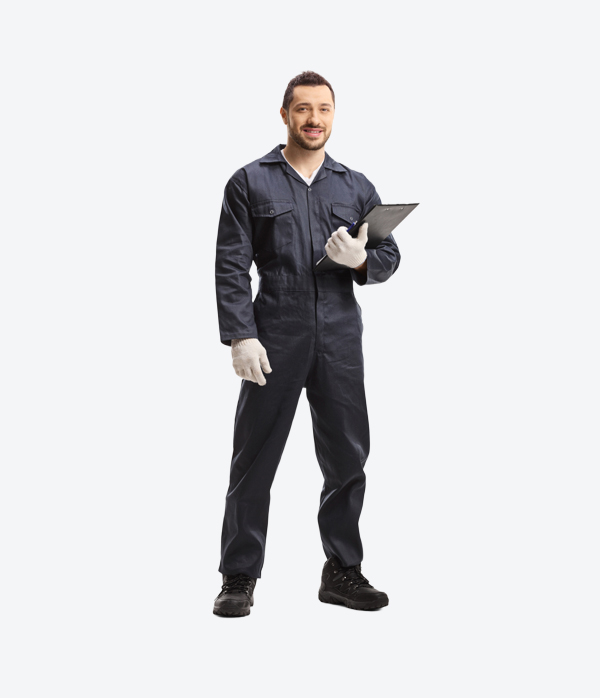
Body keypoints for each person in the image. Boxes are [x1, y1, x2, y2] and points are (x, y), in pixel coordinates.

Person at [213, 71, 400, 617]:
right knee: (254, 457)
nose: (314, 119)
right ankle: (238, 575)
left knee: (347, 456)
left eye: (323, 109)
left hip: (340, 333)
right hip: (276, 328)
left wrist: (361, 261)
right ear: (285, 115)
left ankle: (342, 571)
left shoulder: (356, 186)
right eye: (303, 109)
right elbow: (231, 265)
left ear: (333, 115)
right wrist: (241, 334)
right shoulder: (249, 182)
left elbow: (388, 256)